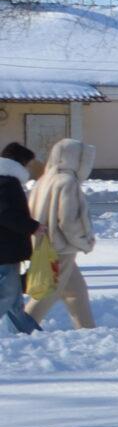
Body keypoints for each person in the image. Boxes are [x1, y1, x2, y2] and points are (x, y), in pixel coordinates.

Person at [27, 137, 96, 330]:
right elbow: (68, 220)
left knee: (76, 291)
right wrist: (84, 241)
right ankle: (21, 326)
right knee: (50, 291)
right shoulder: (68, 182)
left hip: (45, 244)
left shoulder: (44, 179)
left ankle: (87, 329)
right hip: (61, 246)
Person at [0, 141, 37, 334]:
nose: (29, 168)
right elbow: (6, 214)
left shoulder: (5, 180)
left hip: (7, 250)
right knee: (6, 295)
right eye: (28, 164)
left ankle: (28, 333)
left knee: (13, 300)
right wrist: (34, 227)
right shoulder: (7, 182)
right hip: (5, 251)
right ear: (19, 163)